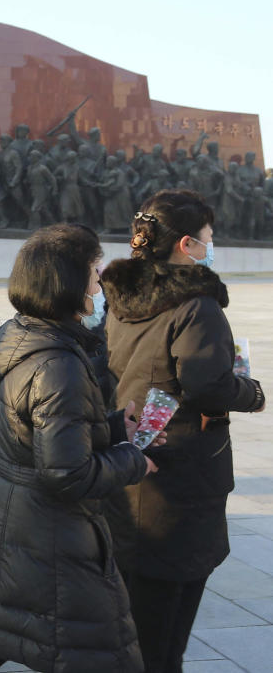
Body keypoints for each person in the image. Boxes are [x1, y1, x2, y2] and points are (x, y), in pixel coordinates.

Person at [0, 224, 154, 672]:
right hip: (49, 537)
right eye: (94, 272)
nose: (99, 284)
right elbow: (66, 472)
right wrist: (133, 460)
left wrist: (113, 428)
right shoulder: (59, 364)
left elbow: (35, 432)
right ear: (68, 283)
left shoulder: (24, 335)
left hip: (14, 521)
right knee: (99, 652)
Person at [101, 190, 265, 673]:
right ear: (187, 245)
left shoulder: (121, 299)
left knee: (135, 610)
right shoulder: (197, 305)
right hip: (181, 471)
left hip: (133, 459)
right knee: (164, 634)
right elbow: (207, 385)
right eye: (209, 240)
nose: (213, 248)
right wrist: (249, 392)